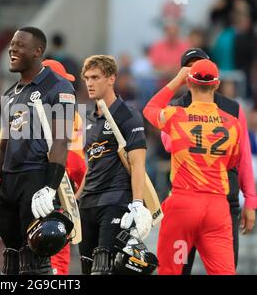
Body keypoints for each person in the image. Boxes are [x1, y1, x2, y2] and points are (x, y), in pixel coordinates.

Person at [0, 27, 76, 275]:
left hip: (36, 178)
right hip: (9, 183)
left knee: (34, 260)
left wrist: (49, 187)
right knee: (10, 259)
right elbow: (4, 144)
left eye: (19, 45)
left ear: (38, 51)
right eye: (11, 44)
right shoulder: (10, 93)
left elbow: (61, 141)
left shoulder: (58, 86)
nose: (12, 49)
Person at [160, 48, 256, 274]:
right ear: (184, 74)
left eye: (201, 65)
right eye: (191, 66)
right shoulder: (175, 107)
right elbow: (168, 145)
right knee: (180, 267)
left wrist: (250, 201)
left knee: (225, 268)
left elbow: (243, 157)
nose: (197, 70)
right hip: (188, 201)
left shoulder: (233, 108)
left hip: (224, 202)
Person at [144, 59, 241, 275]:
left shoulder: (176, 115)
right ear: (217, 85)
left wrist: (177, 79)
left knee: (172, 270)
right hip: (217, 207)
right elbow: (232, 163)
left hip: (183, 205)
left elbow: (150, 108)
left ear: (189, 84)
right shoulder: (233, 123)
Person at [77, 55, 152, 275]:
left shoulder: (128, 115)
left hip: (115, 201)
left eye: (95, 77)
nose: (89, 83)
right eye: (87, 78)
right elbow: (90, 165)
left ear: (111, 79)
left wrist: (137, 203)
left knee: (105, 269)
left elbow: (138, 164)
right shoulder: (89, 119)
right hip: (87, 204)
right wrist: (74, 202)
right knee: (87, 269)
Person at [42, 59, 87, 275]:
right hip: (57, 193)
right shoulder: (73, 115)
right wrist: (76, 196)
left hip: (28, 196)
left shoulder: (20, 108)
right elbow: (77, 164)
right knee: (56, 263)